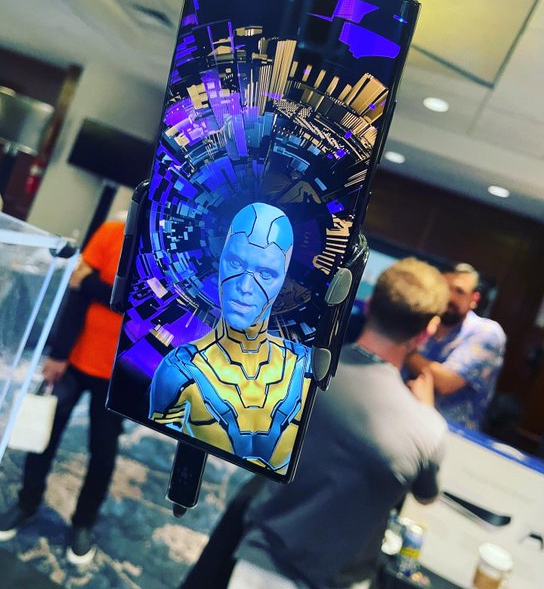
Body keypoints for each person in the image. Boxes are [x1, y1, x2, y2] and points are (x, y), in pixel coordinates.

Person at [222, 257, 449, 589]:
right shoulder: (428, 428)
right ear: (426, 332)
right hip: (343, 580)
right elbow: (426, 495)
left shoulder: (297, 371)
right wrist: (426, 410)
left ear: (369, 303)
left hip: (262, 565)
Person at [149, 202, 312, 475]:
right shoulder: (179, 372)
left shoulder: (305, 367)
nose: (245, 286)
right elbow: (152, 466)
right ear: (221, 261)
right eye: (236, 263)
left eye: (265, 273)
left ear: (283, 280)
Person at [0, 219, 125, 565]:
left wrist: (95, 285)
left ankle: (83, 523)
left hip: (123, 374)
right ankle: (27, 503)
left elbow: (149, 306)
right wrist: (58, 353)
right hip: (75, 358)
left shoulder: (170, 253)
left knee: (103, 452)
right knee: (44, 435)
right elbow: (77, 291)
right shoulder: (112, 232)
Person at [406, 262, 506, 430]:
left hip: (451, 435)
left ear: (474, 299)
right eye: (444, 289)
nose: (449, 297)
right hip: (405, 422)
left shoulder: (487, 332)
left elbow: (446, 382)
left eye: (459, 291)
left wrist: (403, 348)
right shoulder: (423, 323)